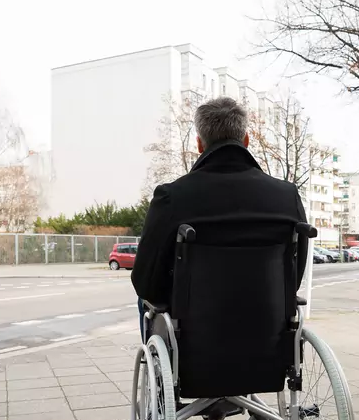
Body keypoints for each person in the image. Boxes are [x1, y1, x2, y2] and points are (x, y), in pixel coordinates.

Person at [132, 96, 308, 319]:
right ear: (246, 140)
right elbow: (293, 278)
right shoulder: (287, 196)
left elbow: (145, 283)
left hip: (194, 332)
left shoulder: (172, 197)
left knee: (145, 302)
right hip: (269, 330)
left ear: (199, 144)